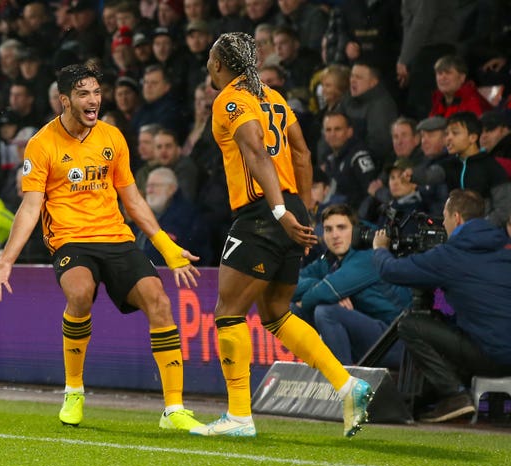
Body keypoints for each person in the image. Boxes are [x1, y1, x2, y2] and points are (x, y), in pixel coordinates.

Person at [0, 63, 204, 432]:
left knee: (159, 300)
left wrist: (164, 245)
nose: (93, 100)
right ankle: (74, 390)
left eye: (97, 93)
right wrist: (6, 259)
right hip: (69, 239)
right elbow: (30, 206)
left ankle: (173, 409)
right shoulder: (42, 144)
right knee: (80, 293)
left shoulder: (112, 138)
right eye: (84, 94)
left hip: (115, 236)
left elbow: (133, 198)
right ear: (65, 100)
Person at [189, 32, 373, 438]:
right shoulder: (273, 96)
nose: (207, 68)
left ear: (220, 65)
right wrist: (300, 210)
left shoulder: (230, 99)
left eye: (210, 60)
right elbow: (303, 153)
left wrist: (277, 211)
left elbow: (255, 150)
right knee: (275, 314)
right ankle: (348, 386)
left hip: (262, 213)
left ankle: (238, 417)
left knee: (228, 312)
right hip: (290, 210)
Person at [372, 189, 511, 422]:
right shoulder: (503, 249)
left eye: (444, 218)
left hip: (492, 357)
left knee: (410, 325)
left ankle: (455, 395)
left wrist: (380, 250)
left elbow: (391, 271)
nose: (443, 224)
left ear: (456, 218)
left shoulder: (451, 255)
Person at [292, 204, 411, 368]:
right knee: (294, 310)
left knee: (326, 312)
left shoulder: (368, 255)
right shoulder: (330, 259)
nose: (335, 235)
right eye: (328, 229)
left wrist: (325, 293)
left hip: (397, 343)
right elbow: (290, 285)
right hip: (370, 339)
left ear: (355, 230)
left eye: (341, 228)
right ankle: (321, 370)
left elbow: (323, 293)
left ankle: (344, 384)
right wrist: (328, 290)